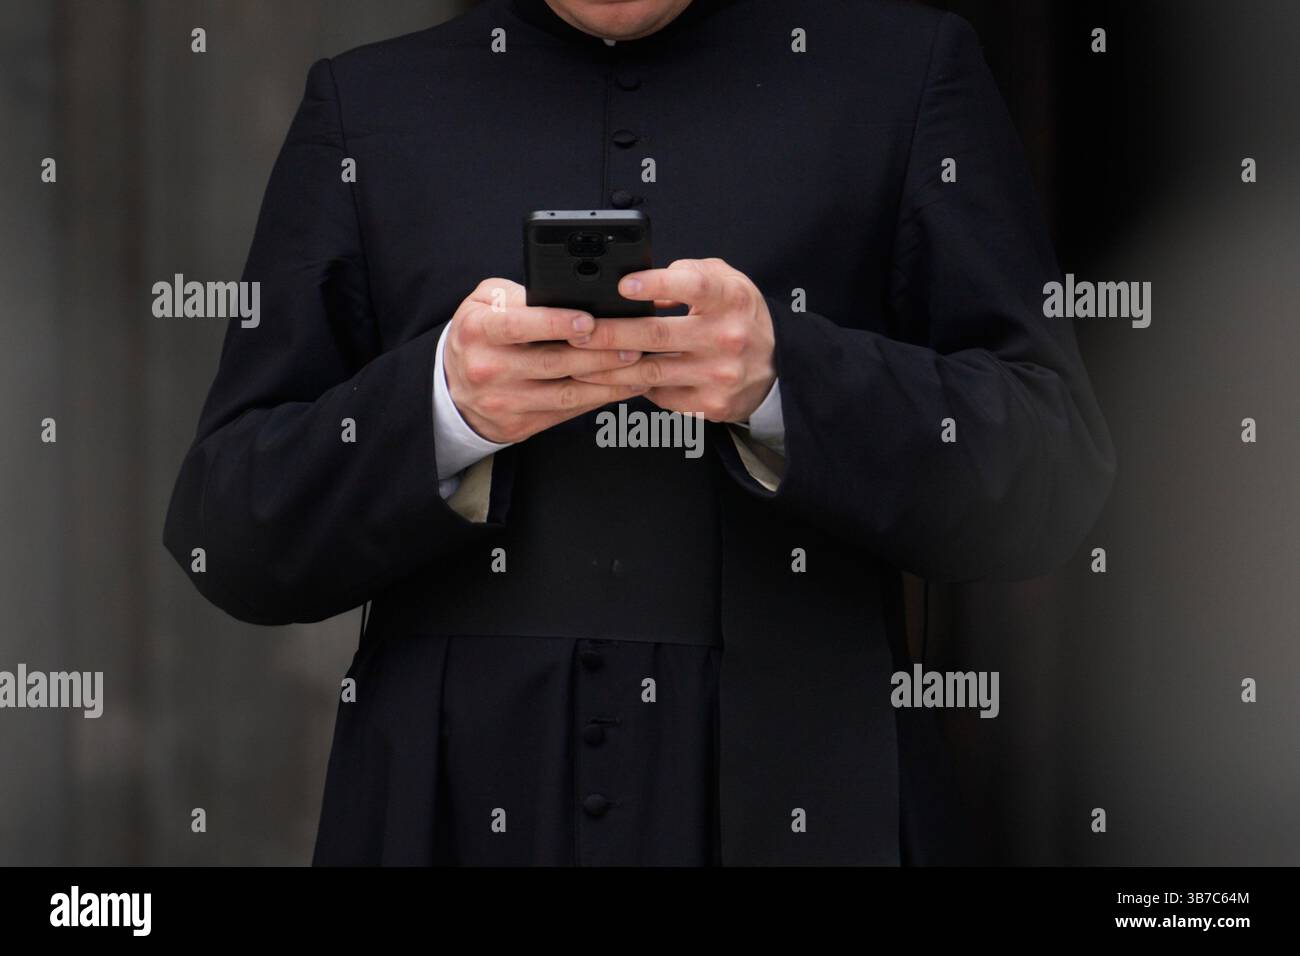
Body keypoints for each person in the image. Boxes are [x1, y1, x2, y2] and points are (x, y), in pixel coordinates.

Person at [163, 0, 1115, 865]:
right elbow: (227, 529)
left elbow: (1053, 471)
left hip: (806, 800)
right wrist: (442, 407)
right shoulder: (366, 104)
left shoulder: (905, 73)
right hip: (455, 806)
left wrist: (788, 381)